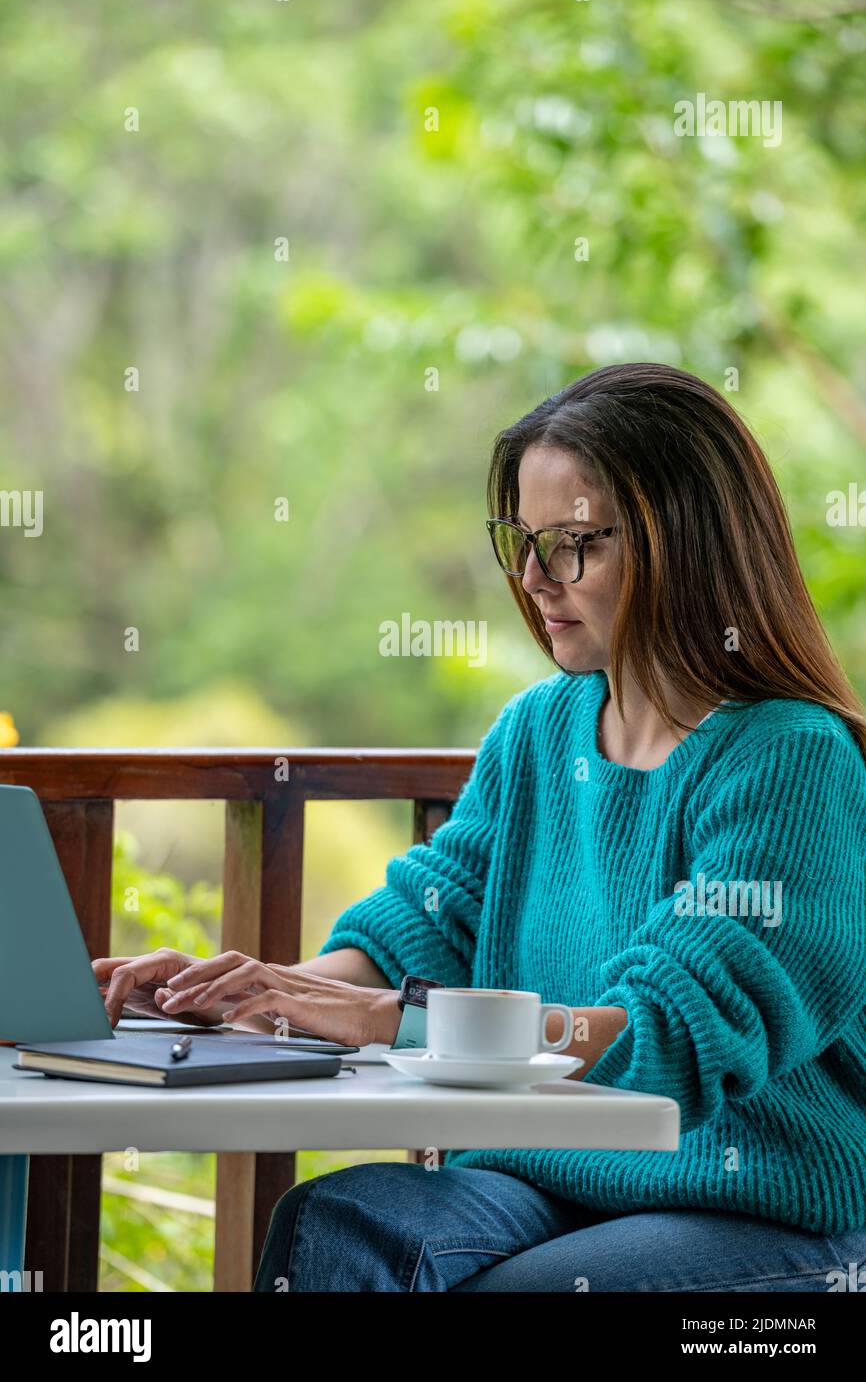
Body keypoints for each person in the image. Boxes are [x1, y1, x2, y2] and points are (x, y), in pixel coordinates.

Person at [95, 362, 866, 1292]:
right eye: (522, 540)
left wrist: (390, 1022)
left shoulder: (791, 758)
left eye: (574, 544)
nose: (533, 578)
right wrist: (242, 997)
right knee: (335, 1226)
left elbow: (669, 1039)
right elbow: (421, 933)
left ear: (687, 544)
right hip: (540, 1173)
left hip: (756, 1208)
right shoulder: (538, 732)